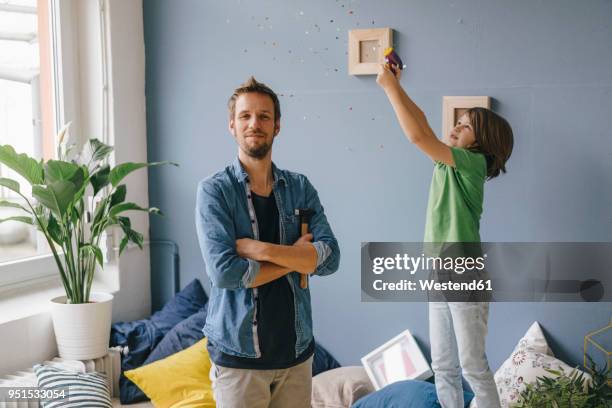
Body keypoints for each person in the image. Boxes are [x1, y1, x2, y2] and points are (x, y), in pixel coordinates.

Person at [195, 76, 340, 408]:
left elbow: (330, 258)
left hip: (296, 355)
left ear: (277, 126)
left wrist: (260, 250)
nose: (254, 124)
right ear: (232, 125)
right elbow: (226, 274)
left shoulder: (300, 187)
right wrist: (298, 257)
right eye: (245, 116)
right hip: (238, 359)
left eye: (263, 116)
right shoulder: (215, 191)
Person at [376, 63, 513, 407]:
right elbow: (421, 121)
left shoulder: (472, 164)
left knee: (472, 364)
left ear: (480, 143)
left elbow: (417, 136)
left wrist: (388, 87)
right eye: (459, 122)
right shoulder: (446, 162)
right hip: (439, 268)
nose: (456, 127)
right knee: (443, 364)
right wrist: (395, 84)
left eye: (465, 126)